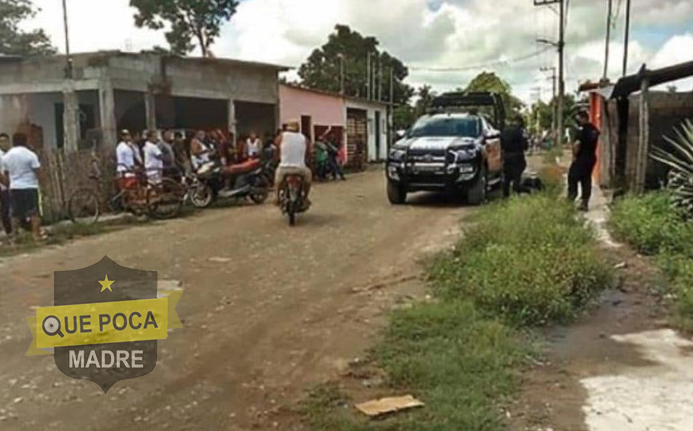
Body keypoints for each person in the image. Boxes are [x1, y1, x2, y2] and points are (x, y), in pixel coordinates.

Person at [2, 133, 42, 242]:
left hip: (15, 187)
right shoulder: (30, 155)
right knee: (34, 212)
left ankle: (15, 236)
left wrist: (8, 184)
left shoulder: (7, 156)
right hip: (30, 186)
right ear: (25, 141)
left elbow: (6, 174)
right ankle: (35, 235)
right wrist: (41, 182)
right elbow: (37, 171)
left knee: (15, 213)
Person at [275, 121, 313, 206]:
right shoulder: (304, 138)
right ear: (298, 128)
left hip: (284, 168)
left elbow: (276, 149)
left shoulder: (281, 136)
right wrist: (309, 163)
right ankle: (305, 198)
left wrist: (277, 159)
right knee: (308, 180)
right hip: (300, 169)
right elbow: (309, 153)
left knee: (277, 181)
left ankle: (277, 197)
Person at [568, 111, 600, 211]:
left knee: (572, 177)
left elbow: (577, 144)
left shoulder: (582, 130)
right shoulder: (594, 129)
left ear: (583, 118)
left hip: (581, 158)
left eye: (578, 119)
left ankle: (571, 198)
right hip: (591, 158)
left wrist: (574, 155)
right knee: (586, 179)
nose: (577, 121)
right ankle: (584, 202)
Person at [501, 115, 529, 197]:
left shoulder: (504, 131)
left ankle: (505, 197)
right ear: (520, 122)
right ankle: (520, 192)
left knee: (507, 178)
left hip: (506, 157)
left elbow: (501, 144)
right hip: (517, 157)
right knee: (516, 178)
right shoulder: (520, 131)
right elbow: (524, 145)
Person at [0, 133, 12, 236]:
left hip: (12, 185)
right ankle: (8, 231)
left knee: (9, 208)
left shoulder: (12, 153)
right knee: (5, 209)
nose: (4, 143)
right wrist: (5, 182)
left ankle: (12, 231)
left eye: (5, 141)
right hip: (3, 185)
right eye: (1, 141)